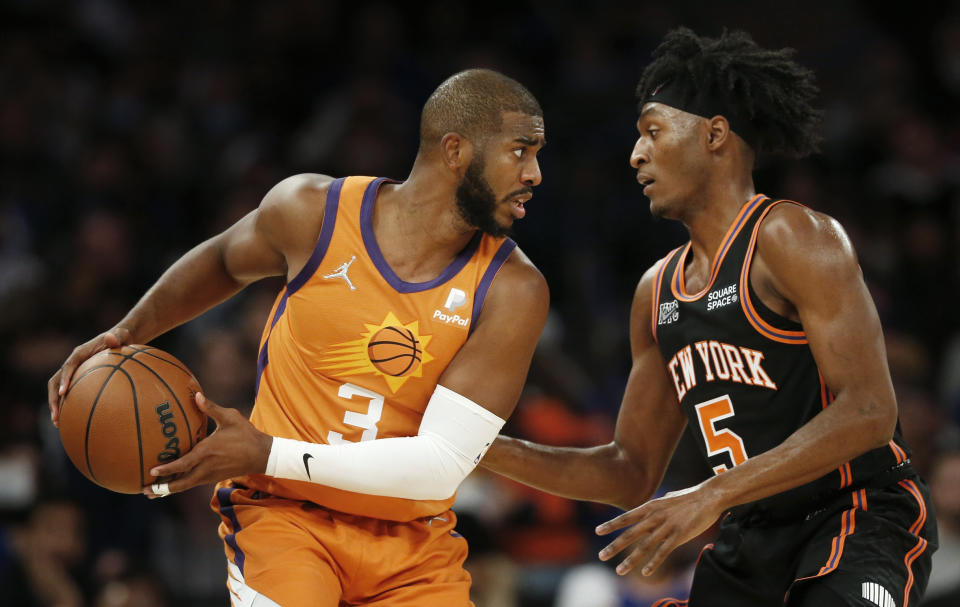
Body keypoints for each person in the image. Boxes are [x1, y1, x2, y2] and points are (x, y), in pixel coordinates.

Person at [47, 68, 549, 607]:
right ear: (455, 151)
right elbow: (221, 260)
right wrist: (127, 331)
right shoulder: (314, 212)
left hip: (410, 547)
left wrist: (266, 451)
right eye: (520, 151)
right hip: (285, 520)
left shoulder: (512, 290)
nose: (536, 173)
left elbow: (439, 466)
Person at [481, 28, 938, 606]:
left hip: (855, 517)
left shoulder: (790, 236)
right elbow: (629, 471)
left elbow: (870, 411)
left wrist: (710, 494)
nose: (636, 154)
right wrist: (476, 447)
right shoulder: (657, 291)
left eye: (652, 131)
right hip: (750, 538)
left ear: (714, 134)